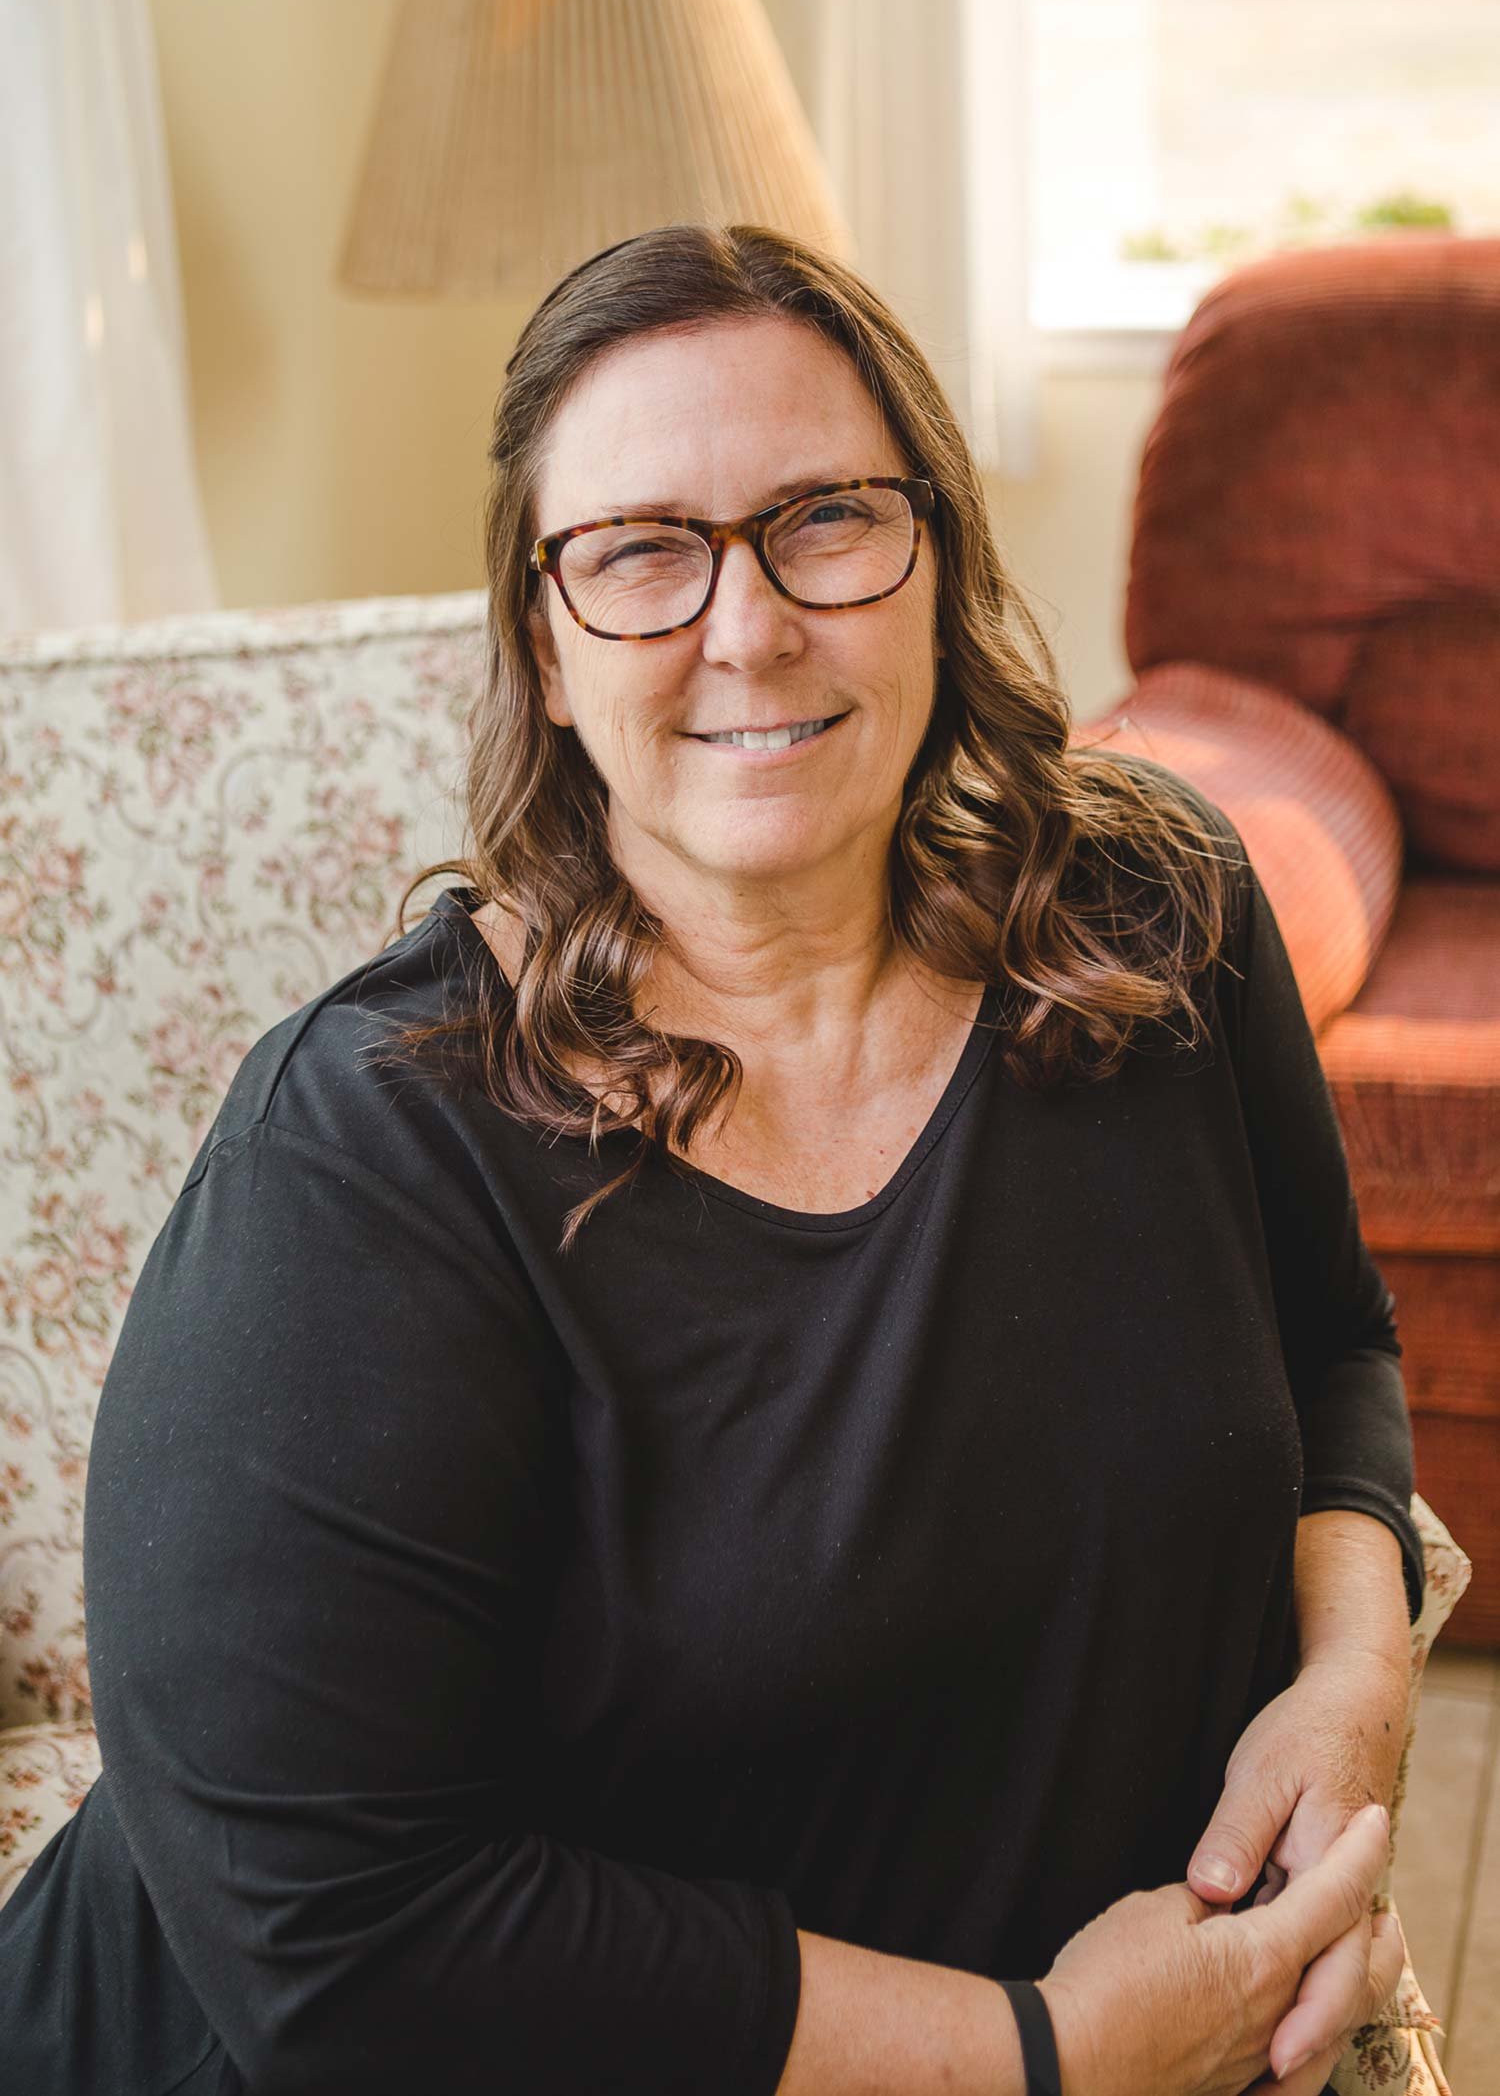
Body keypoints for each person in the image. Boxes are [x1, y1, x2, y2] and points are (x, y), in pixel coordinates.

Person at [0, 222, 1420, 2096]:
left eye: (825, 518)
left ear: (935, 559)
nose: (748, 626)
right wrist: (1045, 2055)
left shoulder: (1155, 911)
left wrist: (1355, 1683)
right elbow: (342, 1942)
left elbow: (1332, 1342)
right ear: (545, 644)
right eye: (642, 552)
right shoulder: (357, 1163)